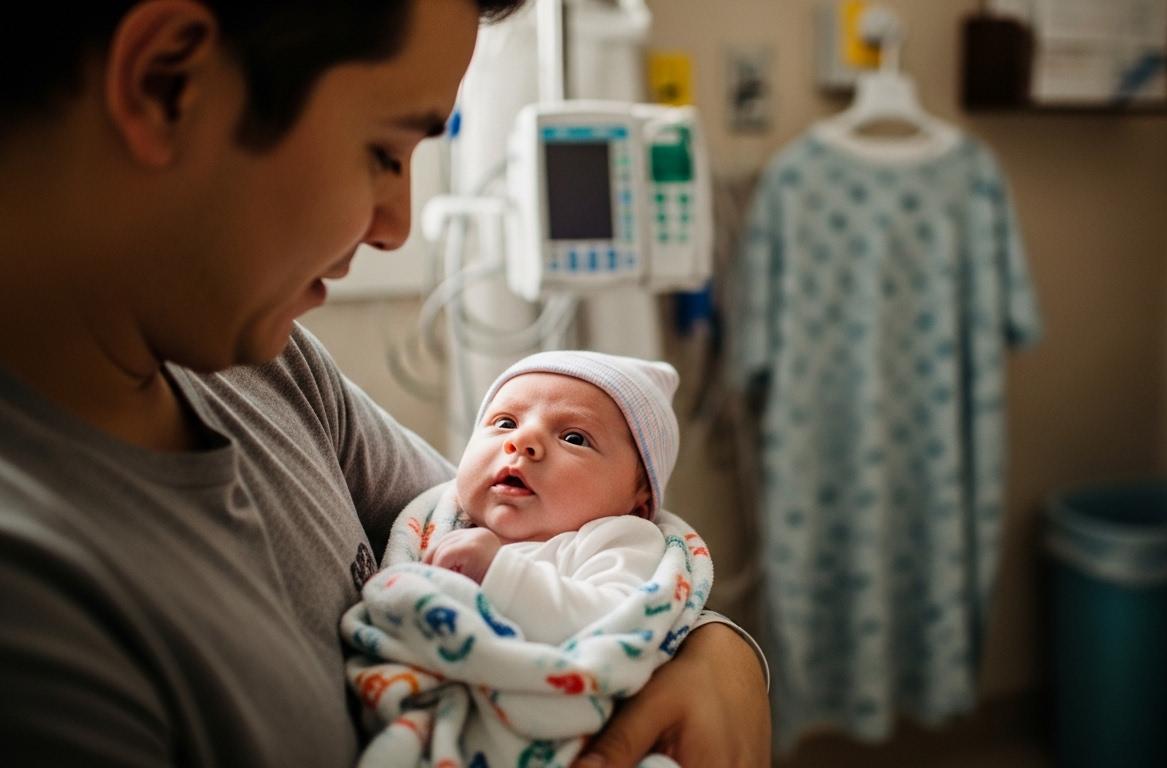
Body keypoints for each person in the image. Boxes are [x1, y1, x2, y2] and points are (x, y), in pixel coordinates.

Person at [0, 1, 769, 766]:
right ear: (167, 84)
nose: (396, 227)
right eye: (385, 153)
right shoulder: (40, 612)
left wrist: (720, 651)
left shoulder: (272, 372)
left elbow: (538, 535)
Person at [348, 351, 714, 766]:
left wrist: (499, 571)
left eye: (574, 438)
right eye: (505, 422)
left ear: (637, 501)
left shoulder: (618, 540)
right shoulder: (444, 522)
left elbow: (616, 621)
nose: (522, 442)